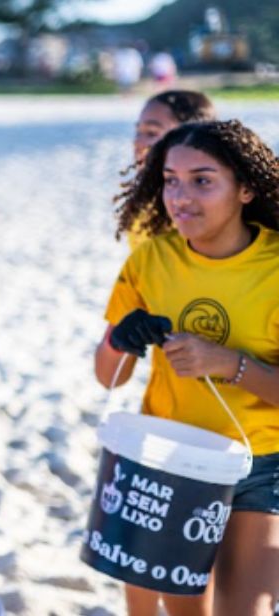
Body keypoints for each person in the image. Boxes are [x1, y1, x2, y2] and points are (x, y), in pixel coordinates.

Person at [95, 120, 279, 616]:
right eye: (170, 180)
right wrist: (122, 338)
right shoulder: (151, 259)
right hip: (168, 462)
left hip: (259, 464)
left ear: (245, 189)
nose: (180, 196)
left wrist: (229, 364)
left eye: (202, 180)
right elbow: (106, 373)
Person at [123, 90, 216, 249]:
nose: (137, 142)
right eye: (138, 131)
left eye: (151, 133)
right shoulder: (143, 201)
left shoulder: (208, 202)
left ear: (190, 136)